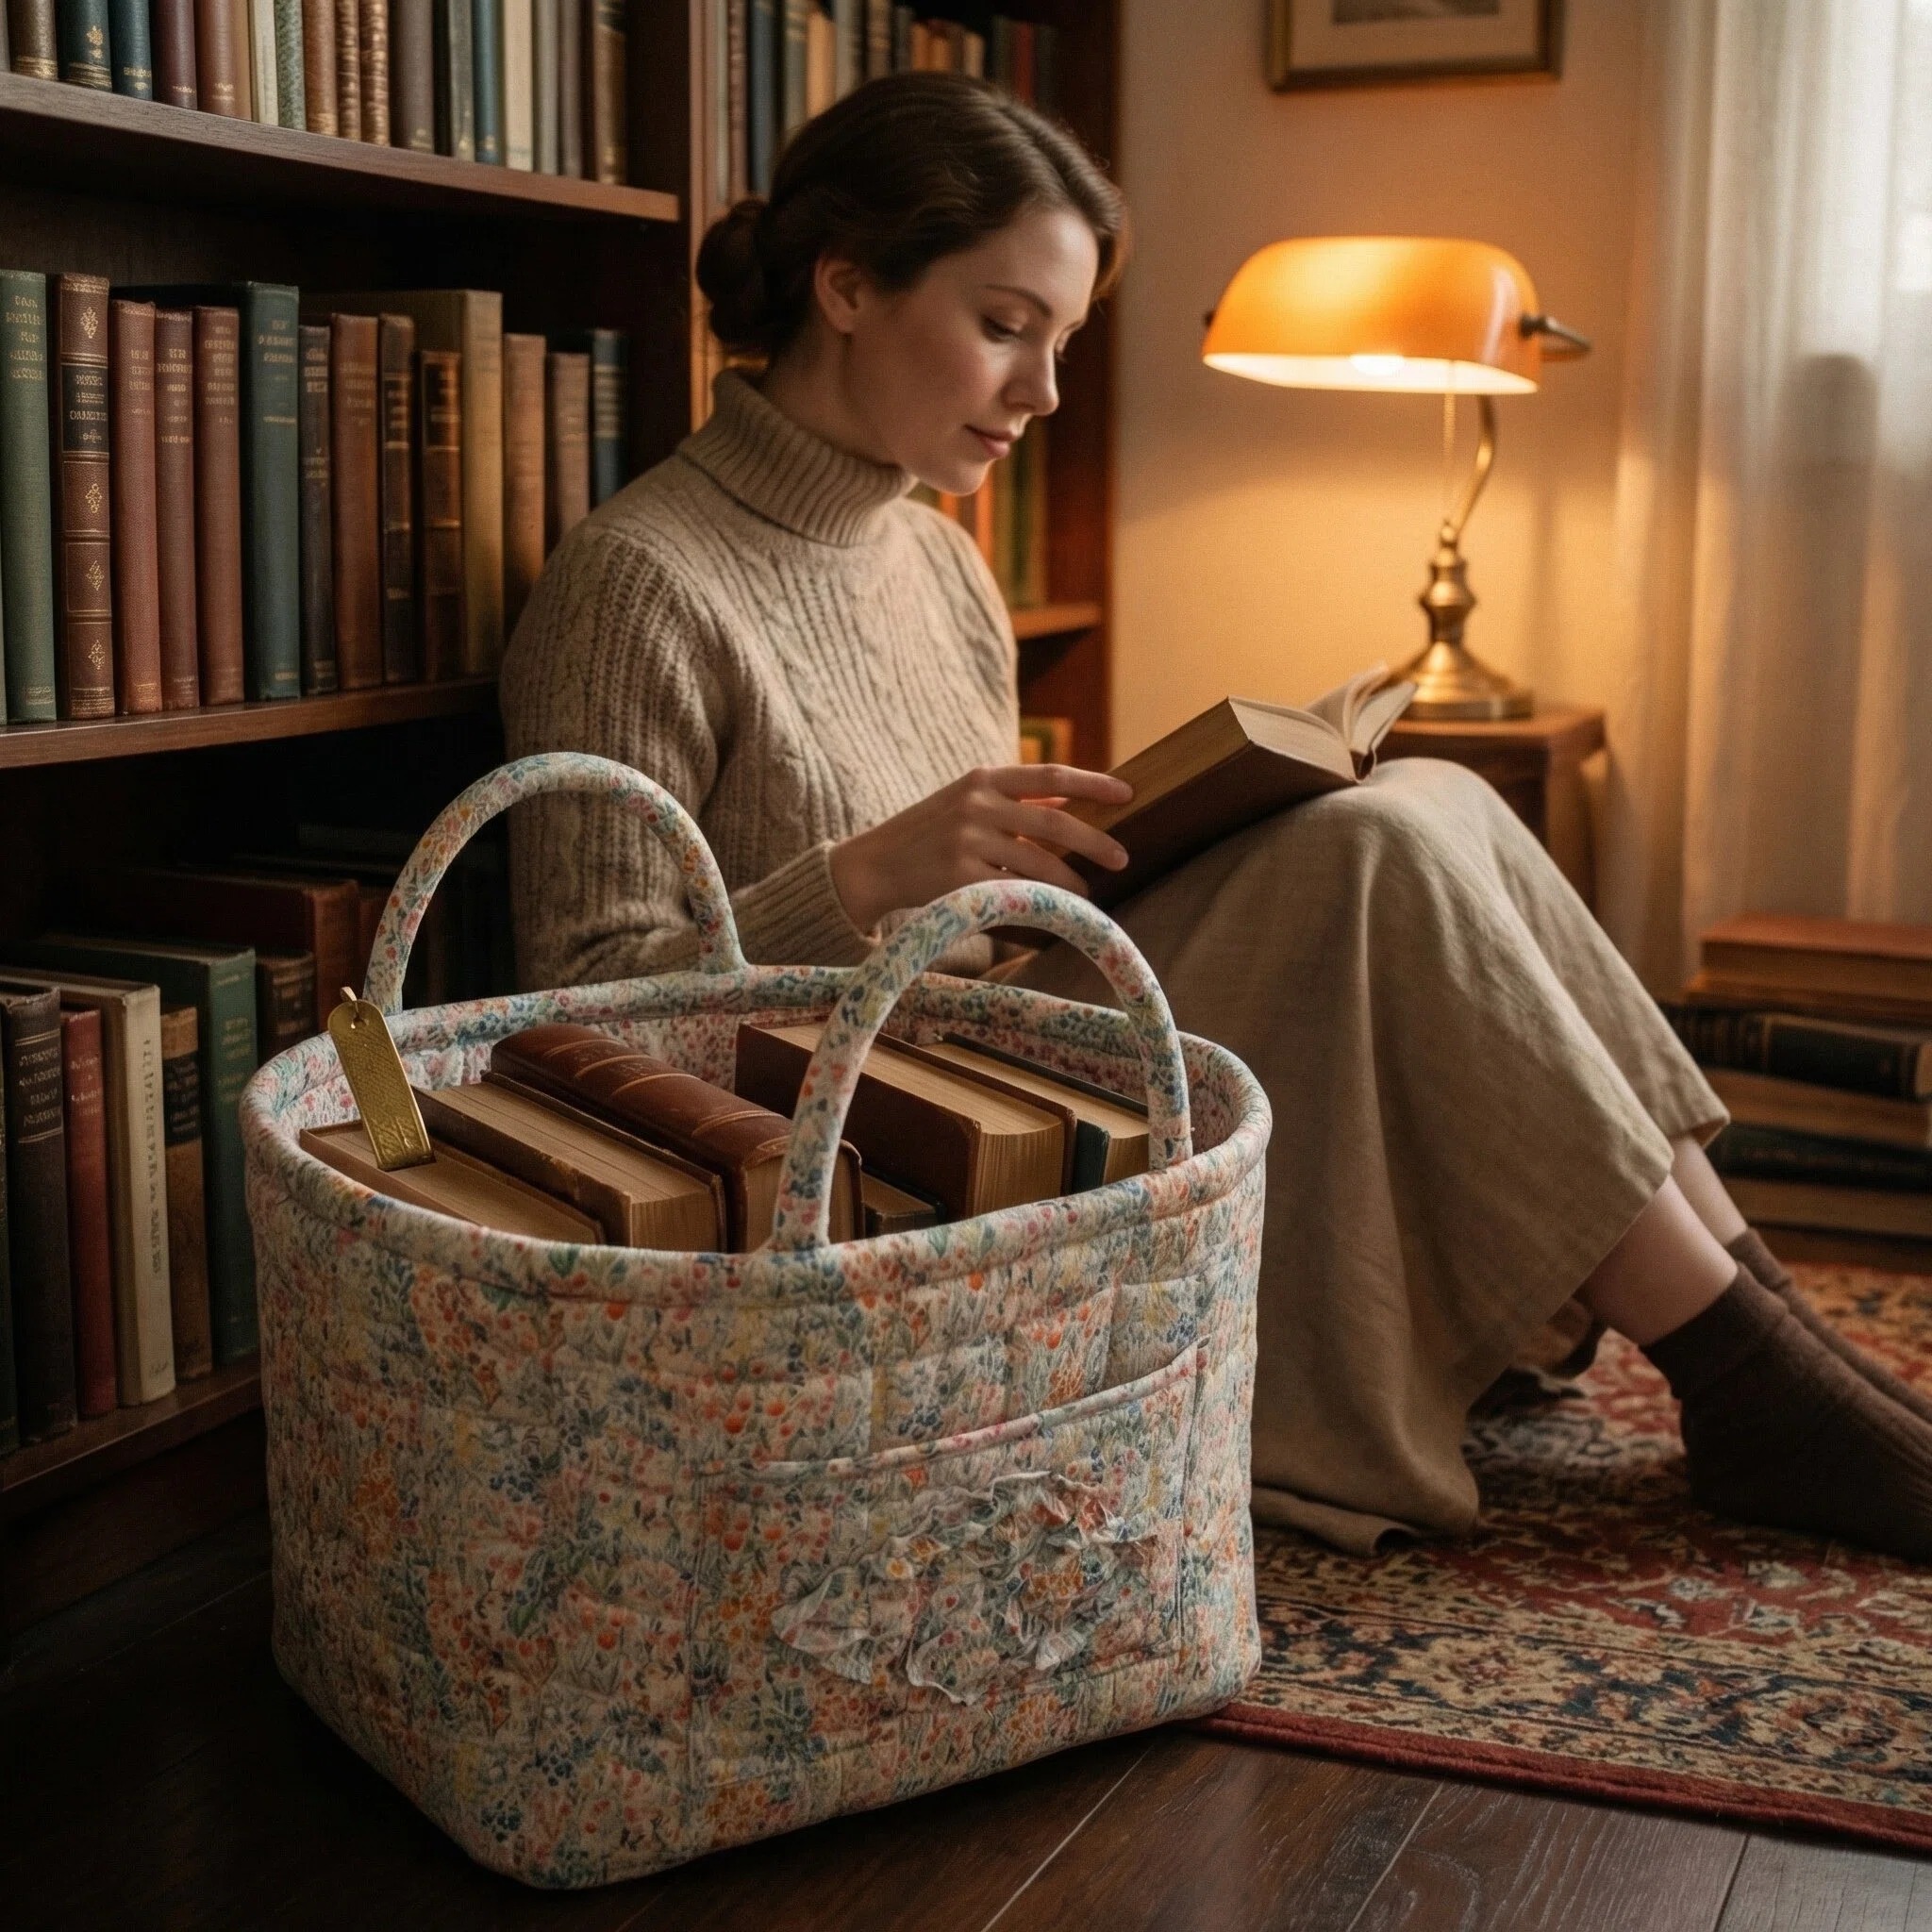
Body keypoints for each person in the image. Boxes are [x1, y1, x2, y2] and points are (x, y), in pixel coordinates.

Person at [500, 71, 1932, 1560]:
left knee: (1431, 792)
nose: (1043, 394)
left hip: (1008, 1038)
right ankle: (1748, 1376)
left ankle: (1764, 1328)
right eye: (1004, 327)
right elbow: (568, 1019)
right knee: (1374, 852)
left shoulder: (937, 564)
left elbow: (996, 918)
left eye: (1060, 342)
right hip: (881, 1135)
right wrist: (861, 879)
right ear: (845, 285)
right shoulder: (639, 583)